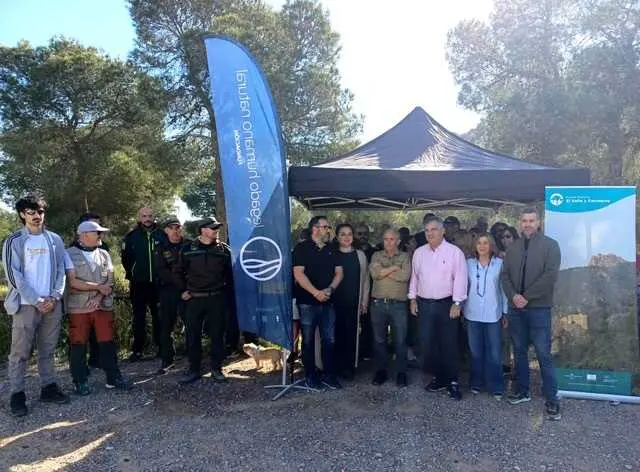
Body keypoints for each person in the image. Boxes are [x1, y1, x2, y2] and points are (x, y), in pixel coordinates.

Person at [3, 195, 69, 417]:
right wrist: (37, 300)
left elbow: (61, 271)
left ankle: (48, 387)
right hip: (25, 305)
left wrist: (54, 296)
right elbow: (14, 276)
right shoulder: (14, 241)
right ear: (22, 214)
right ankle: (17, 394)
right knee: (19, 353)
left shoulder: (55, 239)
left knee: (47, 350)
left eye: (40, 211)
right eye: (31, 212)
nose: (36, 216)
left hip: (52, 304)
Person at [501, 207, 562, 420]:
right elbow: (505, 276)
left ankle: (552, 399)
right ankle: (522, 391)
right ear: (520, 222)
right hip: (516, 308)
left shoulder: (550, 245)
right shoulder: (513, 247)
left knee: (543, 353)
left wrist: (526, 296)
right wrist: (514, 296)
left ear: (539, 222)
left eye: (531, 220)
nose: (527, 224)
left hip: (538, 308)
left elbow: (550, 276)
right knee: (518, 352)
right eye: (524, 220)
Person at [66, 221, 132, 394]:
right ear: (85, 235)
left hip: (102, 305)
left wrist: (98, 296)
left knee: (107, 342)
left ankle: (113, 378)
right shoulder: (68, 254)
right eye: (98, 233)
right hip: (79, 307)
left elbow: (109, 280)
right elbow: (72, 282)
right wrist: (98, 287)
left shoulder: (104, 254)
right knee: (78, 344)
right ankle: (80, 381)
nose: (101, 236)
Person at [409, 216, 468, 400]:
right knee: (428, 343)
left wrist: (457, 303)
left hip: (446, 304)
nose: (430, 233)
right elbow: (415, 277)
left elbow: (460, 278)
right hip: (424, 304)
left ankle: (453, 380)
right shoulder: (419, 253)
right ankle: (439, 377)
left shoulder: (454, 252)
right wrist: (412, 299)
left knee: (448, 343)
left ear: (443, 231)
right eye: (427, 230)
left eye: (434, 229)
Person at [176, 217, 232, 384]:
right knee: (192, 335)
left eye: (217, 227)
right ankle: (194, 369)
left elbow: (230, 275)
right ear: (202, 230)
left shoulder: (224, 250)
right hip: (194, 299)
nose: (216, 230)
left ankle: (216, 369)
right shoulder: (188, 249)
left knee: (217, 335)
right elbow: (177, 272)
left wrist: (227, 295)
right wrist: (183, 290)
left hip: (216, 298)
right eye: (213, 228)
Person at [293, 216, 344, 390]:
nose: (329, 230)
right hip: (307, 302)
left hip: (328, 302)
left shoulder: (332, 249)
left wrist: (330, 289)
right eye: (325, 227)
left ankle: (328, 374)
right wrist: (315, 293)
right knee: (308, 340)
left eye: (328, 227)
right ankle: (310, 375)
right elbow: (298, 274)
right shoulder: (301, 248)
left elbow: (339, 273)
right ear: (315, 229)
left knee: (329, 339)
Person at [464, 233, 507, 400]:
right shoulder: (468, 264)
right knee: (475, 351)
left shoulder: (499, 264)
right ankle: (476, 383)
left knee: (494, 352)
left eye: (486, 243)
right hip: (472, 313)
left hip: (493, 314)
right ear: (475, 246)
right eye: (479, 243)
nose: (482, 246)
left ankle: (496, 386)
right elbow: (463, 286)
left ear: (491, 246)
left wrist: (505, 312)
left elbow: (503, 289)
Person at [121, 207, 165, 362]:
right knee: (138, 317)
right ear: (139, 218)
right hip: (138, 284)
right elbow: (126, 259)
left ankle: (162, 347)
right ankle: (138, 350)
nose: (147, 218)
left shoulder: (162, 234)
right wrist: (133, 273)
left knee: (159, 316)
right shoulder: (131, 236)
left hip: (159, 283)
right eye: (144, 216)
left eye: (150, 215)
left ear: (154, 217)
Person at [369, 228, 412, 387]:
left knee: (400, 340)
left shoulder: (405, 256)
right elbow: (375, 274)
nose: (388, 242)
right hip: (378, 304)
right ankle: (381, 371)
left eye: (392, 239)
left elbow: (405, 276)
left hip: (398, 305)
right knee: (379, 340)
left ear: (398, 241)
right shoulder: (376, 255)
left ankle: (401, 372)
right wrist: (394, 268)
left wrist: (384, 271)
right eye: (386, 239)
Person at [333, 223, 370, 380]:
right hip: (334, 303)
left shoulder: (360, 255)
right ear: (337, 237)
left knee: (351, 335)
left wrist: (364, 301)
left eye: (349, 234)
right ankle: (335, 367)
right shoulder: (332, 254)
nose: (346, 237)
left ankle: (349, 367)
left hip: (354, 303)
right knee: (335, 335)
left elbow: (366, 279)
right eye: (343, 234)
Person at [155, 215, 188, 374]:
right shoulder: (160, 248)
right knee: (166, 327)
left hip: (188, 291)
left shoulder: (189, 245)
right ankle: (167, 360)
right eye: (171, 228)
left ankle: (194, 359)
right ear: (166, 230)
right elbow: (162, 271)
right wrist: (180, 285)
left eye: (177, 227)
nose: (175, 231)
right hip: (168, 291)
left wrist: (186, 288)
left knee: (192, 325)